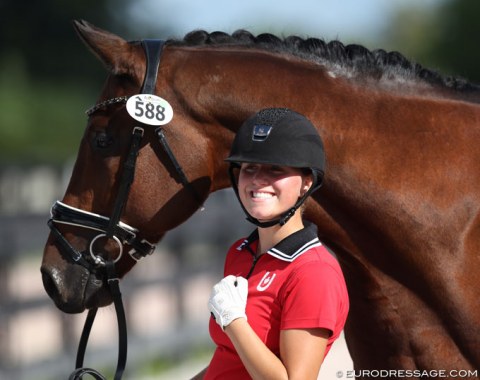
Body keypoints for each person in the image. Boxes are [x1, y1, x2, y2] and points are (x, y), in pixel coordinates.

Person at [192, 108, 349, 379]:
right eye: (249, 168)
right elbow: (230, 358)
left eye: (275, 168)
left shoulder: (313, 273)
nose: (257, 179)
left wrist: (233, 320)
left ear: (306, 182)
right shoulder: (240, 252)